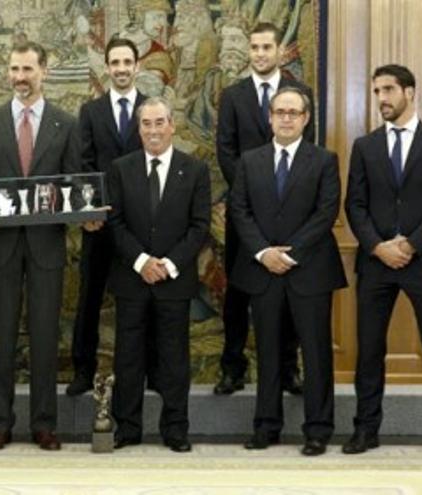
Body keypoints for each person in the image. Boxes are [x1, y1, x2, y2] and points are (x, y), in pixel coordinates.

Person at [0, 41, 81, 451]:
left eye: (27, 69)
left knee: (47, 337)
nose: (20, 77)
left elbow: (75, 183)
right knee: (0, 338)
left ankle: (44, 423)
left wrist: (86, 208)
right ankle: (0, 421)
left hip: (47, 248)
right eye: (14, 69)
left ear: (43, 71)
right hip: (0, 249)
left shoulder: (66, 125)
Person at [343, 64, 422, 458]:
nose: (382, 98)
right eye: (377, 90)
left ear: (410, 92)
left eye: (389, 89)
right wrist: (379, 247)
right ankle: (365, 429)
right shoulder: (365, 147)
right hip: (375, 263)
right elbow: (354, 206)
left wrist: (410, 245)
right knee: (369, 349)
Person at [229, 87, 346, 456]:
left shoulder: (324, 160)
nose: (286, 118)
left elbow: (326, 213)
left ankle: (318, 429)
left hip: (309, 270)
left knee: (315, 352)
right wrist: (264, 252)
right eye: (280, 112)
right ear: (270, 117)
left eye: (293, 113)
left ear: (306, 118)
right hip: (262, 270)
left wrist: (289, 253)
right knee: (267, 350)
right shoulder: (250, 161)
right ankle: (267, 426)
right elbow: (239, 210)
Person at [214, 21, 314, 396]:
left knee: (288, 294)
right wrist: (249, 195)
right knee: (238, 293)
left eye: (266, 47)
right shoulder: (233, 95)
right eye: (254, 47)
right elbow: (225, 150)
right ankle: (232, 368)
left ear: (278, 50)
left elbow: (308, 151)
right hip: (244, 216)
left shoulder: (300, 93)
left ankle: (290, 369)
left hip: (289, 214)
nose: (259, 54)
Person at [107, 96, 211, 453]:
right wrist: (141, 261)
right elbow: (114, 222)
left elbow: (200, 227)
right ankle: (127, 427)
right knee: (128, 356)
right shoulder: (120, 169)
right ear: (139, 129)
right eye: (146, 124)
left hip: (174, 281)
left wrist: (166, 264)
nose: (153, 130)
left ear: (172, 125)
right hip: (131, 279)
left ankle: (176, 428)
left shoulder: (195, 170)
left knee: (174, 359)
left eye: (159, 123)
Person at [67, 37, 149, 396]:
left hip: (141, 225)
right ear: (107, 67)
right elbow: (82, 164)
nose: (120, 68)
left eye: (126, 62)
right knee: (89, 299)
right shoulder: (91, 111)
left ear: (137, 66)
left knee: (145, 298)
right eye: (114, 62)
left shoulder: (151, 108)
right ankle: (83, 371)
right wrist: (89, 210)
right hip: (98, 224)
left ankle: (150, 371)